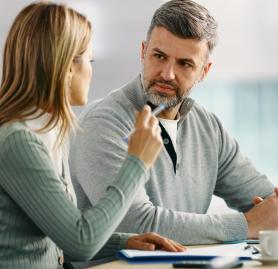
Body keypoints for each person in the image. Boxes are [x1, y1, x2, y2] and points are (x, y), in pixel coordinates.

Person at [69, 0, 278, 245]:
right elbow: (135, 223)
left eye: (185, 64)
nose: (167, 73)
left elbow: (264, 198)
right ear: (143, 52)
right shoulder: (102, 124)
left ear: (204, 71)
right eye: (159, 56)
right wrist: (246, 225)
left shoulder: (208, 127)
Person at [0, 3, 185, 268]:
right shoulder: (18, 140)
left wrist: (124, 242)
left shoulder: (51, 132)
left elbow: (62, 234)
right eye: (90, 59)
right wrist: (137, 162)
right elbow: (81, 241)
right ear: (67, 67)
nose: (91, 69)